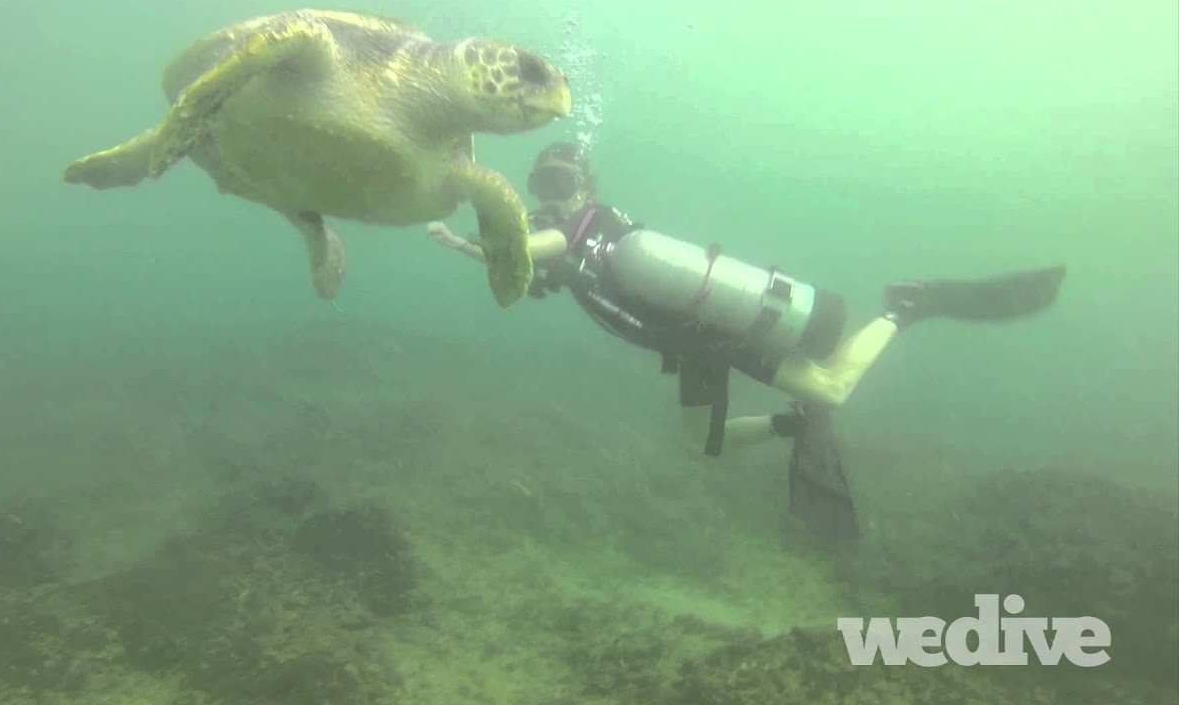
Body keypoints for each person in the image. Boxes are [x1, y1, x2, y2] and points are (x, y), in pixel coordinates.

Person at [427, 142, 1067, 544]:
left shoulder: (590, 226)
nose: (552, 196)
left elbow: (544, 248)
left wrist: (478, 245)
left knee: (835, 386)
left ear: (586, 187)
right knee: (700, 443)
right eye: (542, 187)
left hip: (718, 332)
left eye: (563, 183)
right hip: (691, 344)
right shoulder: (567, 244)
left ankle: (907, 307)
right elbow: (543, 266)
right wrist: (519, 261)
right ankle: (795, 422)